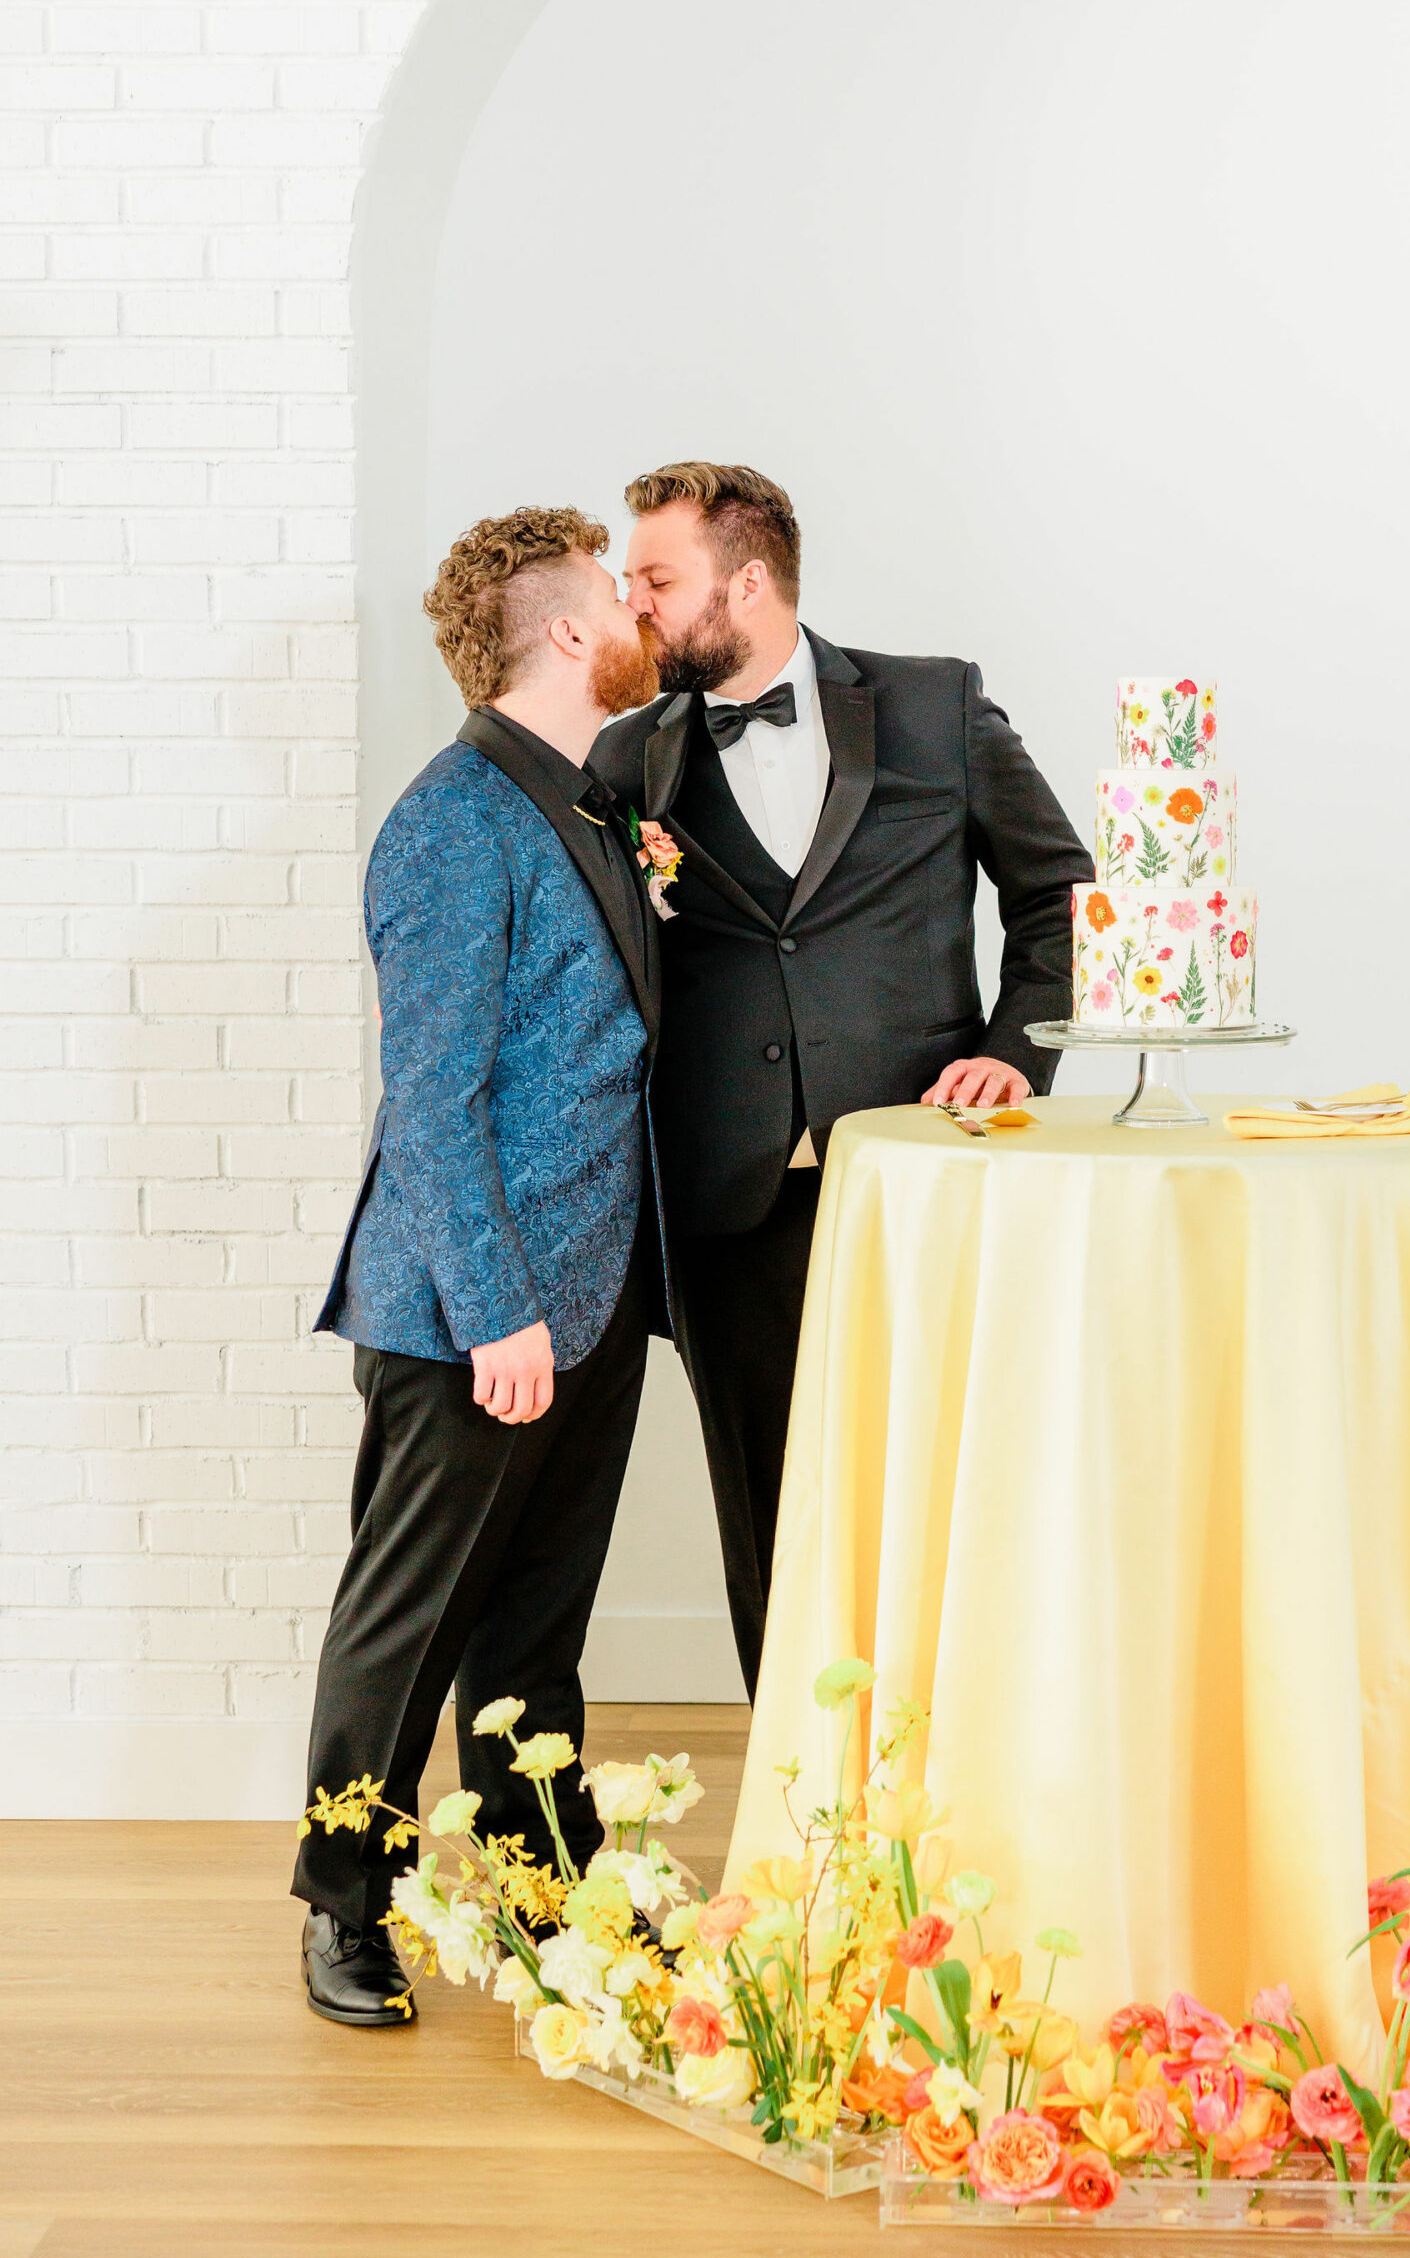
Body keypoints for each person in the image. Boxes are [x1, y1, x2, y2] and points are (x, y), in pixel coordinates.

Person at [591, 462, 1091, 1700]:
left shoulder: (934, 706)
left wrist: (1016, 1050)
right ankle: (799, 1812)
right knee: (767, 1513)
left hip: (923, 1175)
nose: (633, 604)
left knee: (952, 1494)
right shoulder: (626, 756)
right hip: (727, 1200)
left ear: (747, 581)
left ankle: (959, 1781)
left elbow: (1063, 899)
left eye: (657, 579)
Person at [293, 505, 664, 2027]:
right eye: (616, 595)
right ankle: (340, 1904)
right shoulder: (450, 820)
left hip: (592, 1304)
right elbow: (429, 1099)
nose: (641, 611)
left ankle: (537, 1895)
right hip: (477, 1313)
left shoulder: (584, 805)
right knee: (406, 1625)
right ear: (569, 632)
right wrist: (497, 1306)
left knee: (532, 1635)